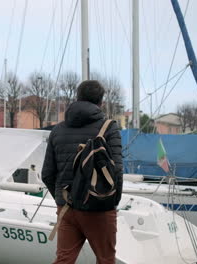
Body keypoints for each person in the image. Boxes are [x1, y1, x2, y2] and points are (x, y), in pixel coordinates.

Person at [41, 80, 123, 264]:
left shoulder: (57, 130)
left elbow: (47, 173)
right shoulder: (109, 127)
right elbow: (116, 171)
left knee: (64, 260)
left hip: (67, 208)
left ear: (77, 97)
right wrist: (111, 202)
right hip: (99, 207)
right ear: (100, 101)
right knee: (105, 259)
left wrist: (62, 199)